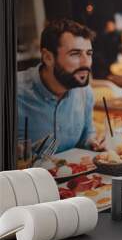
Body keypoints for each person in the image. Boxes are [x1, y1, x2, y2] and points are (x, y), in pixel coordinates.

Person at [17, 18, 103, 153]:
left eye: (89, 54)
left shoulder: (85, 92)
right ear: (48, 58)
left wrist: (93, 142)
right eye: (75, 54)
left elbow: (87, 136)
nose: (86, 63)